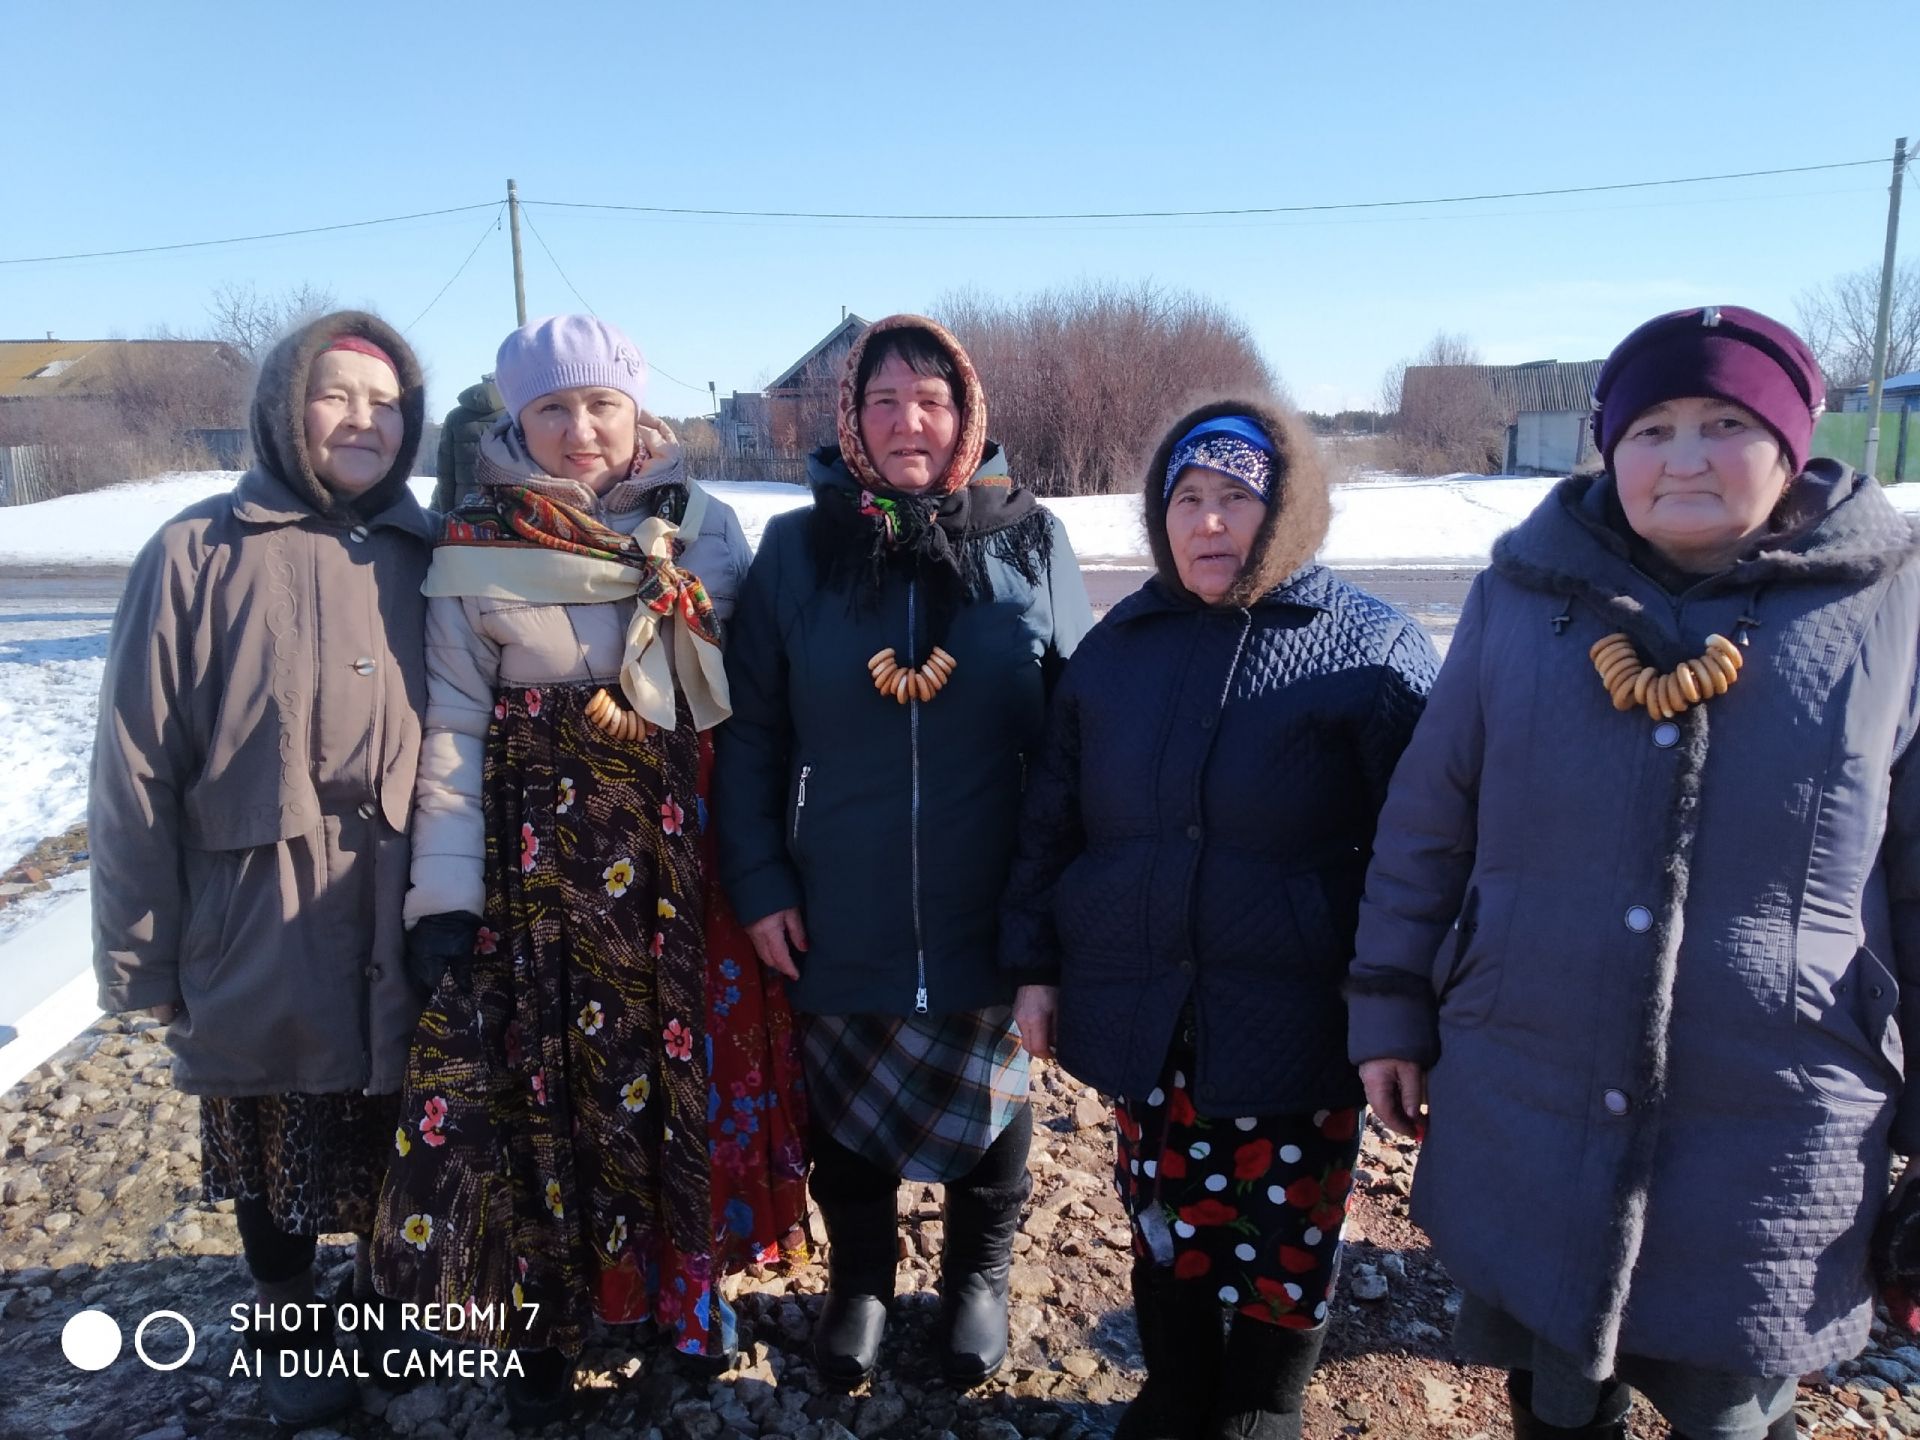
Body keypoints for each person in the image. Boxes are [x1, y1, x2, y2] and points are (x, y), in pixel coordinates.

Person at [1348, 305, 1920, 1440]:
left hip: (1772, 1119)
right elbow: (1428, 820)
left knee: (1732, 1413)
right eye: (1652, 427)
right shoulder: (1523, 596)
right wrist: (1388, 1006)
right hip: (1531, 1088)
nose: (1687, 456)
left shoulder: (1885, 608)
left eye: (1725, 422)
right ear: (1611, 446)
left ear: (1792, 440)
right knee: (1555, 1399)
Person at [374, 315, 807, 1426]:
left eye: (600, 405)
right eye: (551, 410)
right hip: (542, 878)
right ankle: (548, 1325)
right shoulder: (474, 546)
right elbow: (455, 740)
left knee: (682, 1090)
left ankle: (682, 1309)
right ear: (516, 419)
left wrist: (768, 867)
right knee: (545, 1094)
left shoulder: (704, 532)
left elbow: (755, 717)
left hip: (684, 867)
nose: (580, 431)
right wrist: (445, 896)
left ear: (637, 410)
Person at [1000, 401, 1438, 1440]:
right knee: (1162, 1220)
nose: (1208, 523)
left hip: (1295, 1018)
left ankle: (1263, 1403)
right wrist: (1035, 967)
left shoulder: (1372, 651)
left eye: (1235, 499)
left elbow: (1429, 854)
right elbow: (1051, 822)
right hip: (1146, 1006)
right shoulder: (1121, 648)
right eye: (1187, 499)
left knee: (1288, 1230)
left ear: (1283, 510)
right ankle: (1179, 1386)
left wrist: (1404, 1009)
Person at [715, 314, 1094, 1387]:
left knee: (997, 1102)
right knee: (846, 1118)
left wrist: (1069, 895)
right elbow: (750, 732)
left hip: (996, 892)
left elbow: (1078, 723)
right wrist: (759, 879)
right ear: (852, 418)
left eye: (930, 398)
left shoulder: (1032, 538)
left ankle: (977, 1279)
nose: (907, 420)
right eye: (883, 400)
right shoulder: (797, 549)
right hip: (840, 890)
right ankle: (863, 1285)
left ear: (966, 412)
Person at [91, 310, 435, 1427]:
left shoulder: (435, 557)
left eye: (386, 404)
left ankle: (387, 1322)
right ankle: (290, 1325)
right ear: (287, 406)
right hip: (257, 917)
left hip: (399, 913)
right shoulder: (195, 554)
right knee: (274, 1145)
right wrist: (143, 960)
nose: (363, 421)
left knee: (397, 1143)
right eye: (338, 396)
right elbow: (134, 767)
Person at [432, 374, 504, 512]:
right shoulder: (514, 415)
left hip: (463, 509)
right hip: (504, 509)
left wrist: (447, 512)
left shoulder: (454, 417)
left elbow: (445, 474)